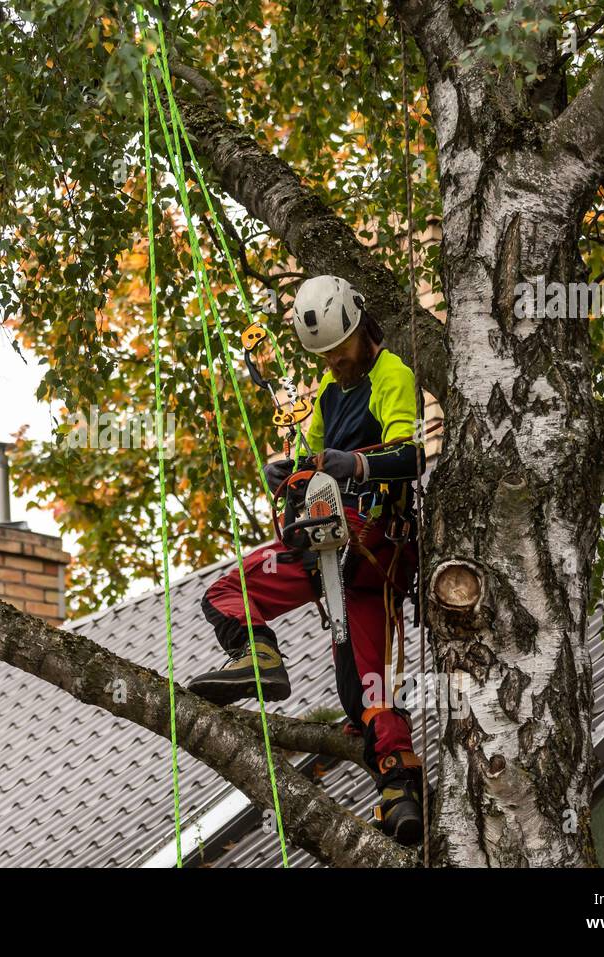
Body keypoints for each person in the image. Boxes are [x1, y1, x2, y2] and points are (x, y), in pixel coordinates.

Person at [186, 274, 427, 845]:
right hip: (322, 544)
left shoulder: (392, 374)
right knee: (225, 596)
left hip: (372, 546)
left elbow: (410, 454)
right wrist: (289, 466)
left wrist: (356, 466)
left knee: (364, 689)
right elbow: (312, 455)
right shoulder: (327, 391)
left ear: (360, 329)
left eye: (339, 352)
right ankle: (260, 659)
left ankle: (400, 790)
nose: (336, 364)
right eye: (324, 356)